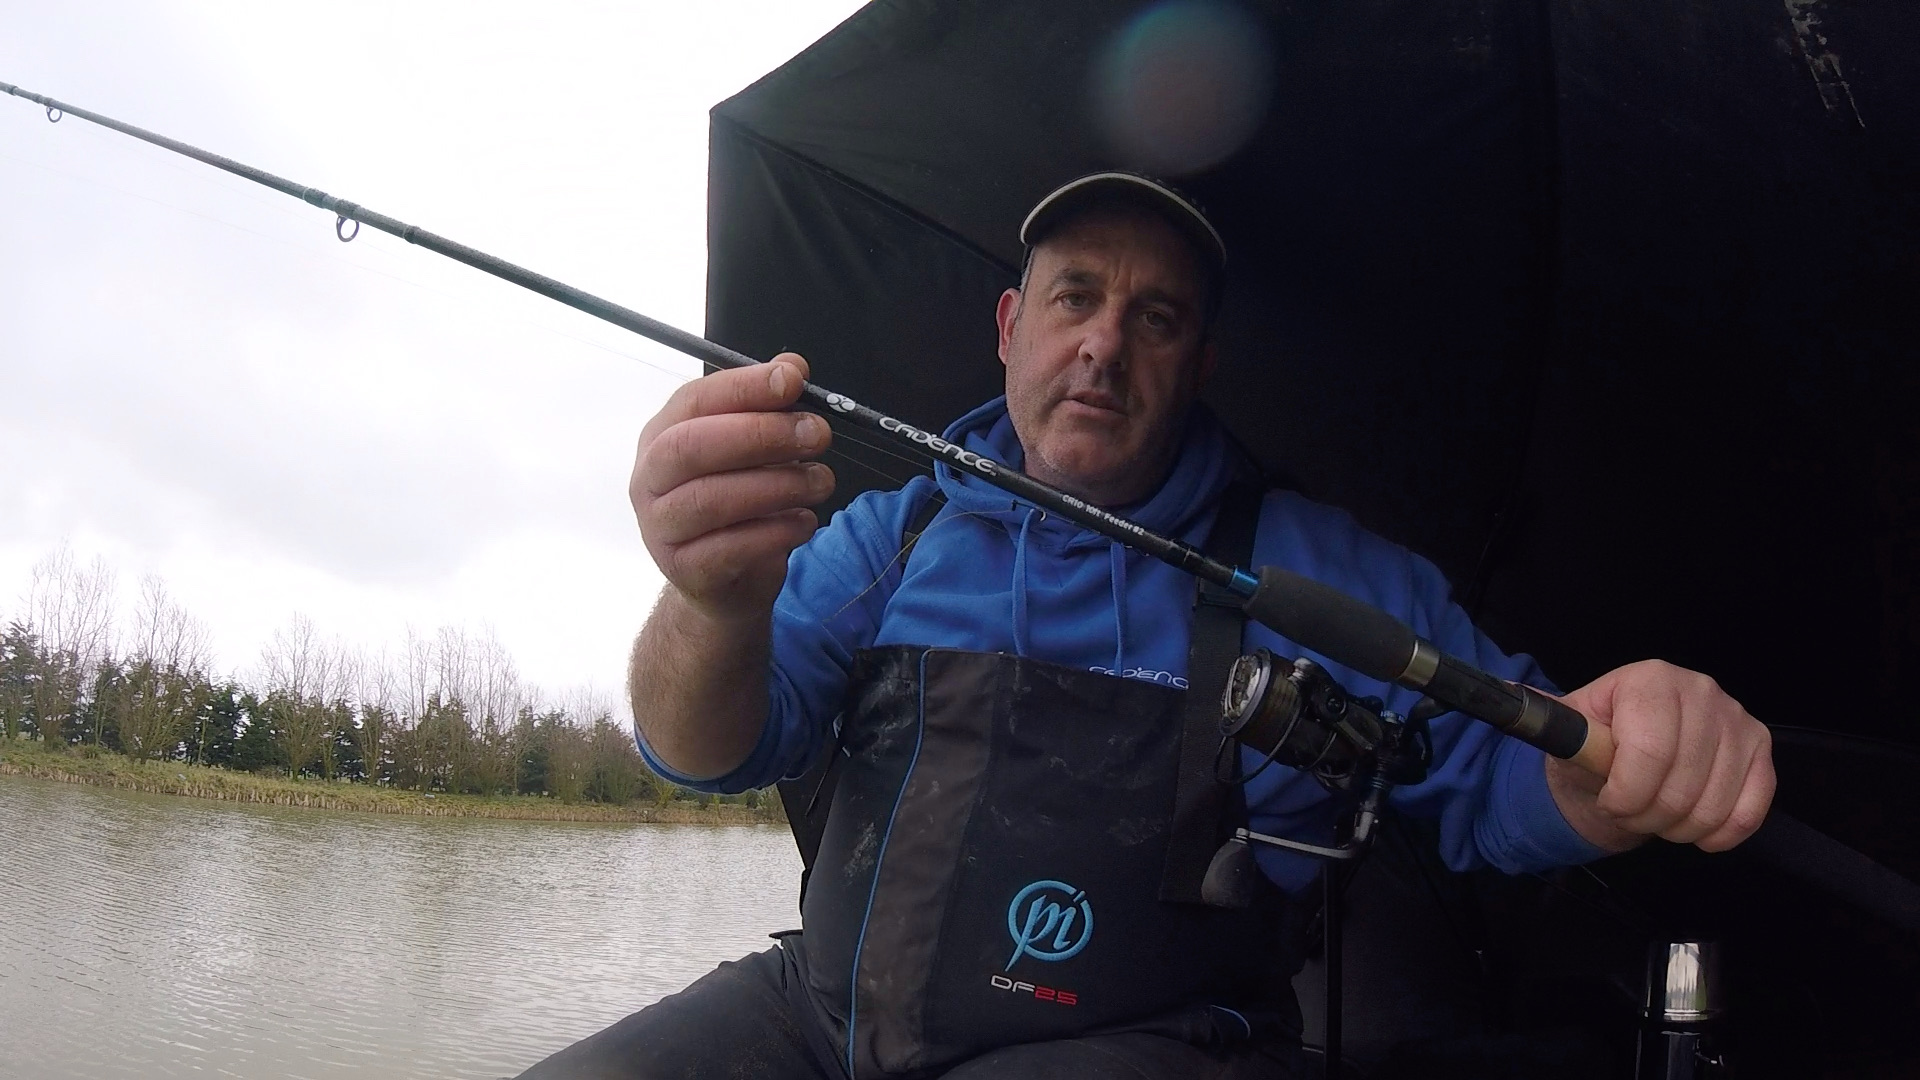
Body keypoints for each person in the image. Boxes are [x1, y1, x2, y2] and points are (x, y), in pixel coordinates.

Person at [515, 173, 1775, 1079]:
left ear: (1199, 363)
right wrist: (709, 600)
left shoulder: (1325, 571)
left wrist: (1624, 763)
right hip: (819, 1014)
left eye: (1156, 318)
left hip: (1153, 1048)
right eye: (1074, 298)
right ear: (1013, 327)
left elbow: (1503, 778)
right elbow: (701, 747)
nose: (1104, 345)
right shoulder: (885, 536)